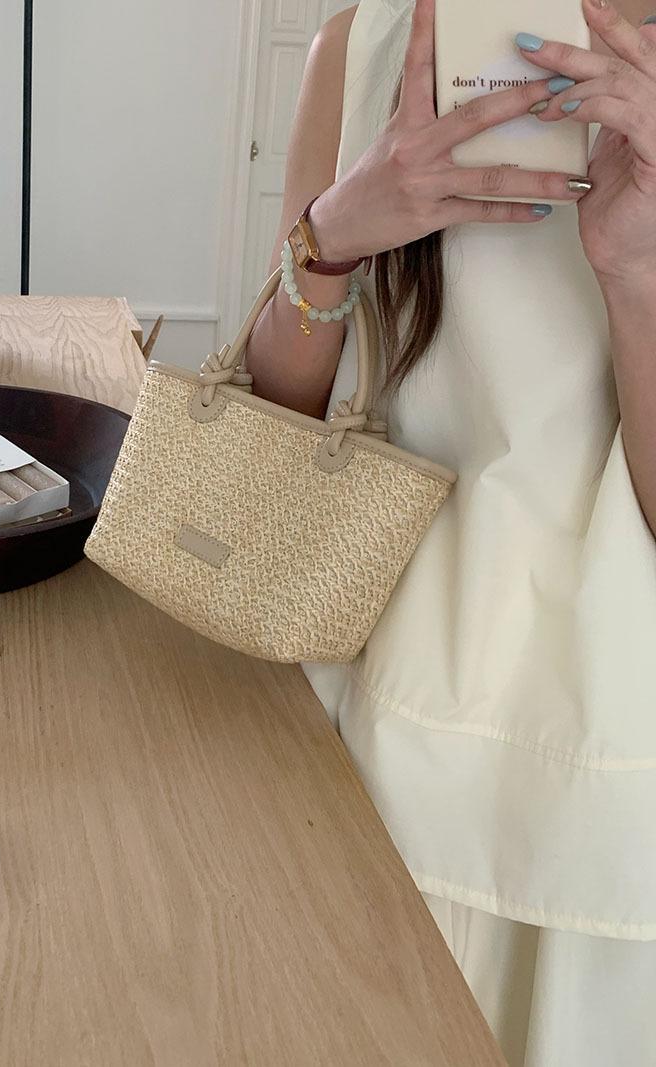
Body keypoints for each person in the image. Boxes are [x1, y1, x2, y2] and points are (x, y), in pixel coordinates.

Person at [243, 0, 656, 1062]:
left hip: (602, 778)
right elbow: (275, 425)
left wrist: (635, 276)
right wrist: (332, 239)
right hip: (356, 723)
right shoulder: (356, 47)